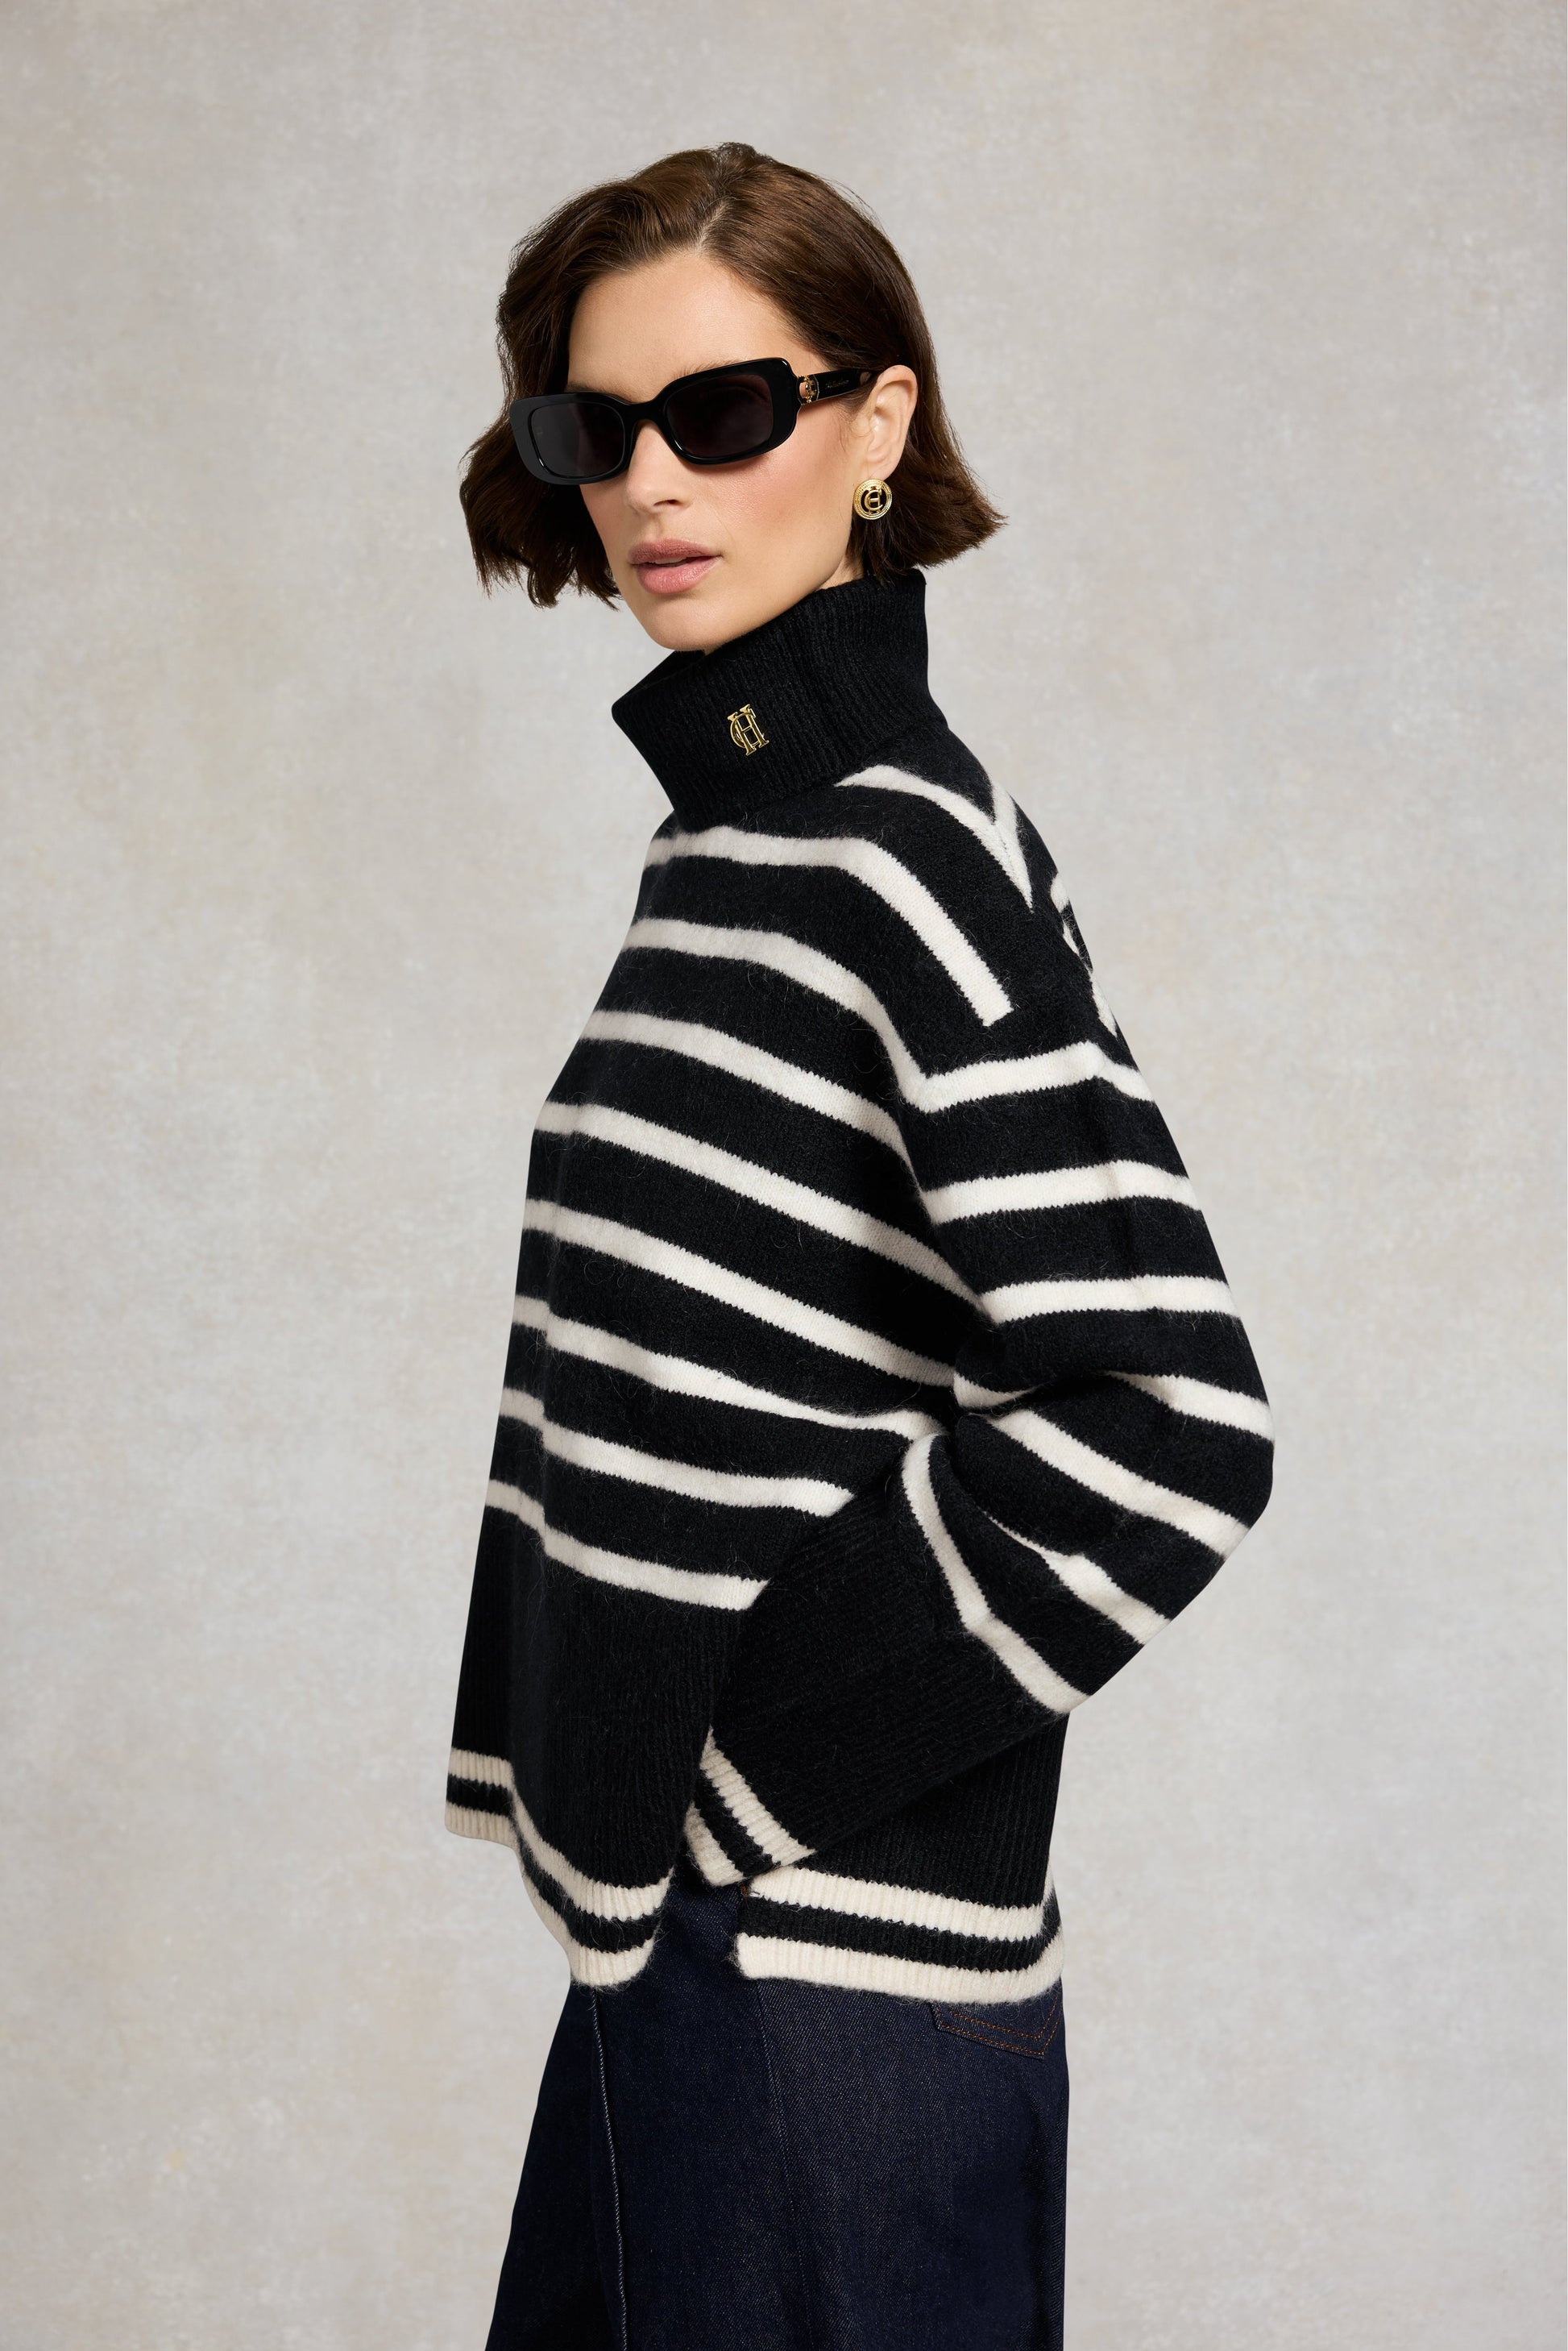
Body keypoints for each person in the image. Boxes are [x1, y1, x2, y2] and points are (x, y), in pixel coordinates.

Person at [446, 141, 1273, 2351]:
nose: (649, 484)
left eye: (723, 412)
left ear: (877, 422)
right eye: (593, 428)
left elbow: (1166, 1420)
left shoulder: (895, 852)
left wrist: (734, 1781)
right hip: (690, 1967)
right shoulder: (738, 844)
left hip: (822, 1997)